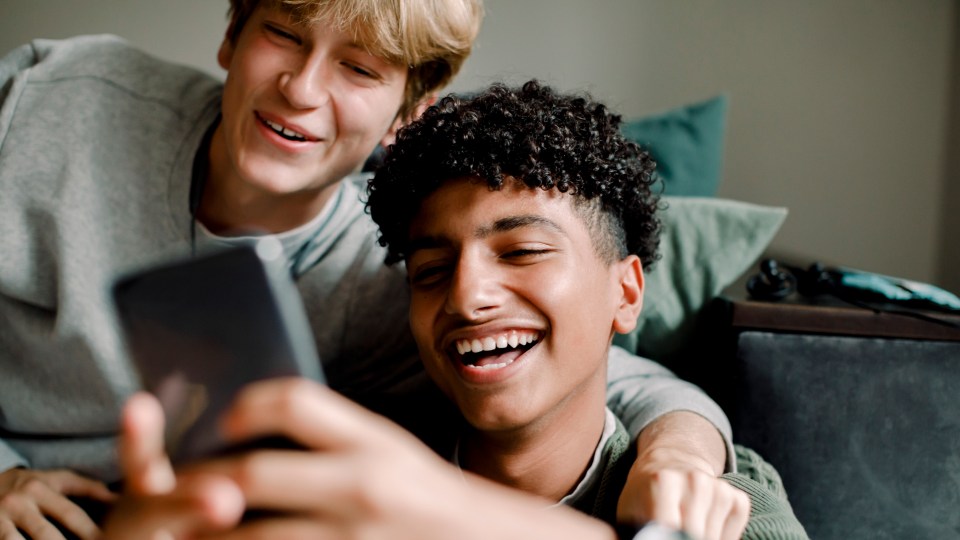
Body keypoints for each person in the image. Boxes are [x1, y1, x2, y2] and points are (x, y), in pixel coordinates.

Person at [1, 1, 733, 538]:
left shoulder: (406, 278)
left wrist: (678, 455)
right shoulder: (52, 96)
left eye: (358, 68)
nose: (301, 89)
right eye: (283, 33)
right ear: (231, 35)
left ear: (404, 115)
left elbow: (609, 373)